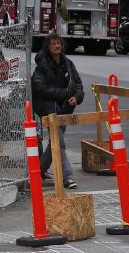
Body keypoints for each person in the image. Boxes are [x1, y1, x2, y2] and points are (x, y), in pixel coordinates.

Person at [32, 33, 84, 189]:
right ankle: (67, 176)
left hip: (66, 108)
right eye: (53, 44)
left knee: (54, 143)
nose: (57, 46)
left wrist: (76, 97)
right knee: (59, 143)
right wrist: (63, 93)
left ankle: (38, 170)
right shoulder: (42, 65)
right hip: (48, 110)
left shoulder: (68, 63)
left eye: (58, 43)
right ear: (48, 46)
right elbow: (39, 88)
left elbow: (78, 85)